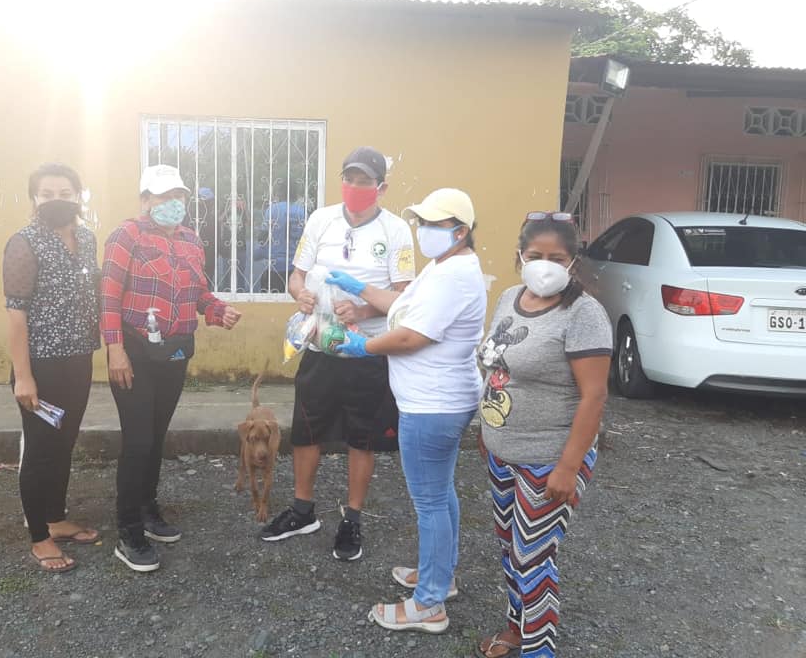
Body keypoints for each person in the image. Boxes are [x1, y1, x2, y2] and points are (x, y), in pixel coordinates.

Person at [328, 188, 487, 633]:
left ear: (461, 231)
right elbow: (401, 307)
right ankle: (441, 576)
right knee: (442, 493)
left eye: (435, 224)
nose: (424, 230)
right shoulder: (444, 266)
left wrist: (362, 346)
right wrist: (359, 287)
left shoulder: (453, 275)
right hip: (441, 400)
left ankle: (429, 604)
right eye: (422, 222)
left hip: (431, 404)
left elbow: (412, 336)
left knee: (430, 501)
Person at [260, 146, 415, 561]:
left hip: (367, 350)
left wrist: (362, 311)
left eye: (365, 181)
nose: (355, 187)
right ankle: (302, 510)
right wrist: (300, 294)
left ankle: (353, 518)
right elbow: (296, 276)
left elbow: (404, 297)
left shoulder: (397, 230)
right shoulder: (320, 219)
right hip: (318, 346)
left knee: (361, 438)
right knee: (307, 430)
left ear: (381, 187)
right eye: (350, 179)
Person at [475, 212, 612, 658]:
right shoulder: (509, 298)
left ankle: (539, 650)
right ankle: (516, 630)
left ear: (573, 262)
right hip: (502, 451)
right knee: (509, 549)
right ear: (520, 256)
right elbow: (498, 364)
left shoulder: (584, 313)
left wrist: (569, 467)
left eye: (556, 257)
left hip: (550, 458)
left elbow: (594, 395)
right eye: (536, 255)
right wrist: (486, 428)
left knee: (532, 559)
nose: (545, 265)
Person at [101, 164, 242, 572]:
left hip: (175, 353)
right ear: (145, 200)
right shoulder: (126, 236)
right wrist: (115, 350)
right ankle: (128, 530)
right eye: (163, 197)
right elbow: (108, 297)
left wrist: (218, 310)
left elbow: (198, 293)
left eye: (178, 196)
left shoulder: (192, 240)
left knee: (156, 437)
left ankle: (148, 509)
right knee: (138, 441)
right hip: (134, 352)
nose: (172, 203)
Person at [2, 162, 101, 573]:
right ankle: (39, 536)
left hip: (79, 360)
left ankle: (56, 518)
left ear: (78, 196)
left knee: (64, 443)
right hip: (40, 366)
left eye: (64, 193)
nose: (56, 200)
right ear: (34, 199)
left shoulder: (87, 238)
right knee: (40, 449)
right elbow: (16, 315)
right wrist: (23, 376)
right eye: (47, 194)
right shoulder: (23, 243)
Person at [254, 199, 306, 293]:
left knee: (271, 296)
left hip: (276, 266)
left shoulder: (273, 209)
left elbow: (263, 236)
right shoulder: (301, 211)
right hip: (296, 267)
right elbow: (306, 238)